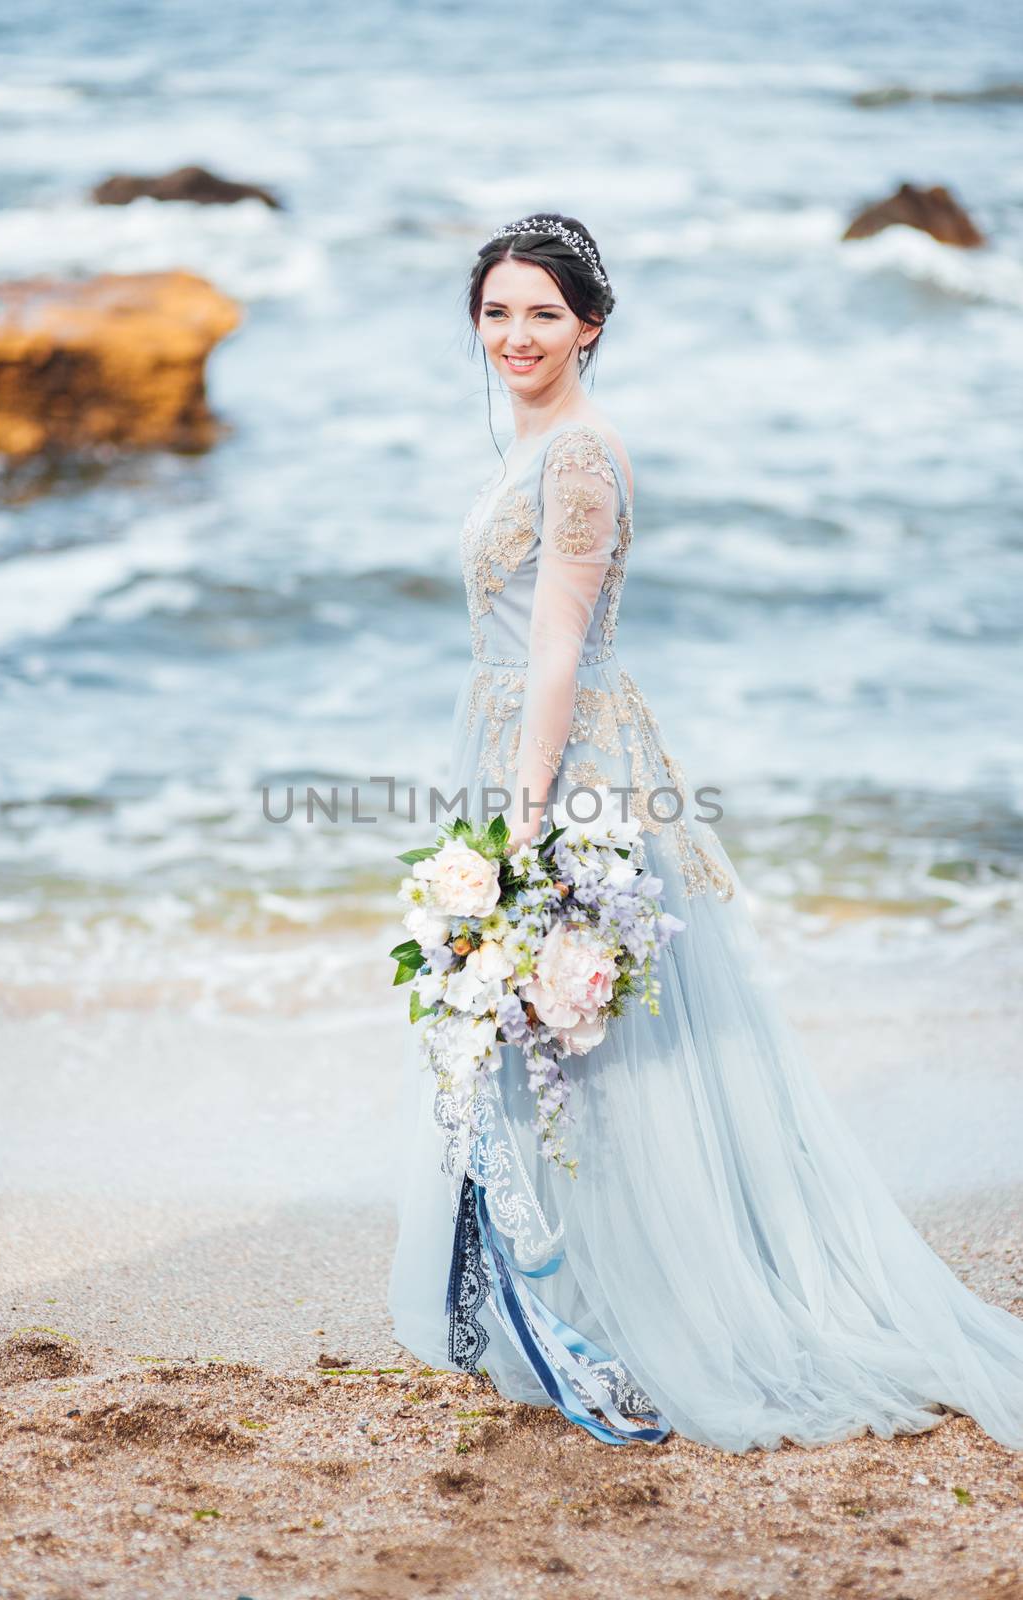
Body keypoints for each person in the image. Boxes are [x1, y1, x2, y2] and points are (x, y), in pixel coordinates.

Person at [387, 213, 1023, 1450]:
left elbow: (563, 649)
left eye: (542, 314)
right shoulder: (537, 442)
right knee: (543, 1034)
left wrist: (524, 824)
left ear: (592, 327)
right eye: (497, 312)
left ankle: (629, 1308)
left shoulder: (579, 459)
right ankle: (562, 1299)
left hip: (563, 767)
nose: (516, 335)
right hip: (517, 742)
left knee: (589, 1031)